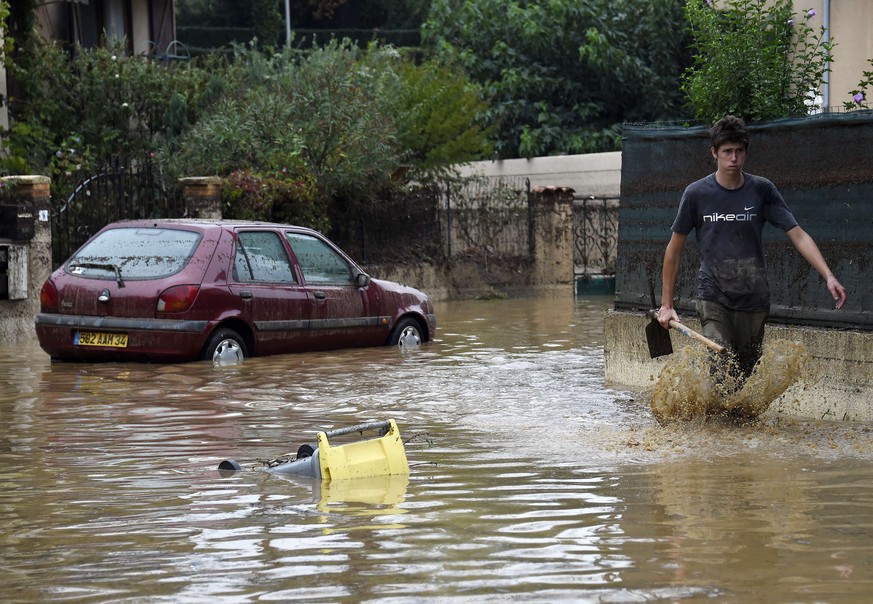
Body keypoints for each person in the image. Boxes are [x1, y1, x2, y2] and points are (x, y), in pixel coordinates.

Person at [657, 115, 847, 384]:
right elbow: (674, 249)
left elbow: (798, 234)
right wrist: (667, 305)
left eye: (739, 151)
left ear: (745, 152)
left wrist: (828, 276)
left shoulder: (762, 190)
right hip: (713, 296)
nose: (733, 158)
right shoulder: (696, 194)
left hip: (754, 299)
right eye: (727, 151)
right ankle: (712, 425)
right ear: (714, 153)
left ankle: (738, 424)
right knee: (720, 364)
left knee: (744, 378)